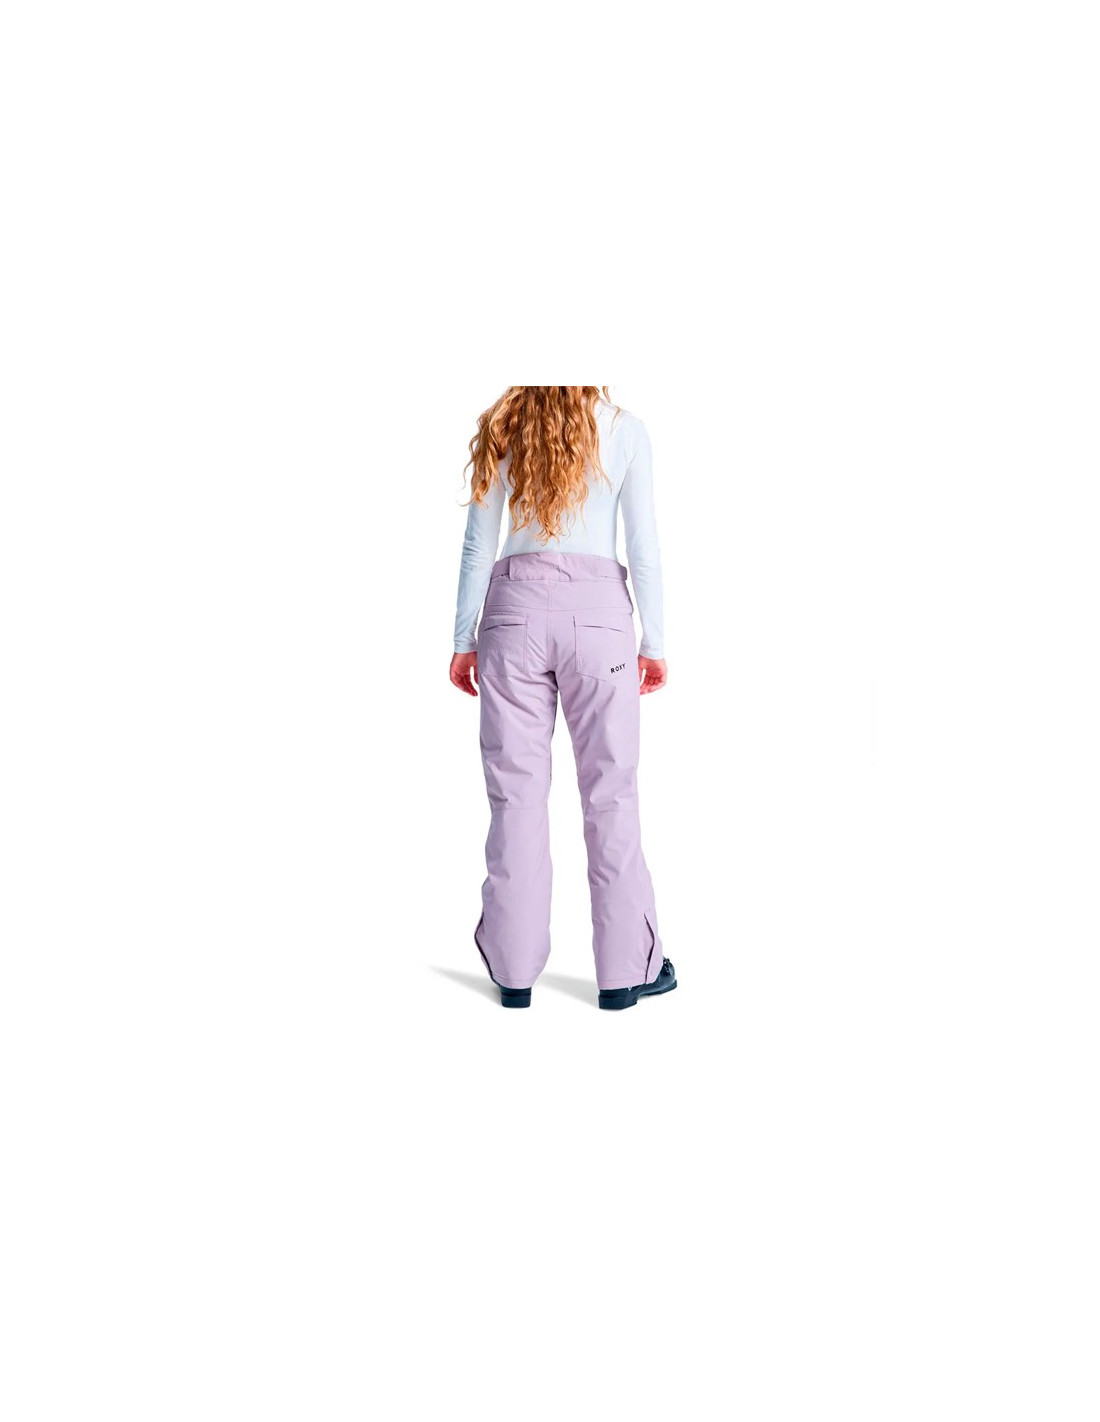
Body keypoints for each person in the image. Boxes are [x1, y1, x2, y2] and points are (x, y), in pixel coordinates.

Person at [450, 386, 675, 1011]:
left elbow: (478, 543)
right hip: (599, 620)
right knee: (612, 794)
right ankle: (624, 975)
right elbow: (644, 544)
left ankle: (514, 974)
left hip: (512, 616)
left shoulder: (504, 422)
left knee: (515, 798)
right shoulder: (625, 429)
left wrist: (463, 638)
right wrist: (654, 641)